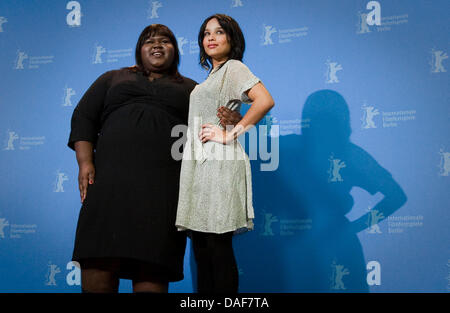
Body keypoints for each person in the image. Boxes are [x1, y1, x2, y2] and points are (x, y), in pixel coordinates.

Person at [67, 24, 241, 293]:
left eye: (165, 41)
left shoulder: (192, 89)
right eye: (149, 41)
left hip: (163, 195)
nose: (157, 45)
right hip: (108, 189)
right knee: (98, 265)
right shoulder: (113, 78)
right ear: (139, 50)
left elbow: (215, 126)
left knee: (152, 268)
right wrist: (85, 162)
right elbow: (84, 116)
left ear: (176, 50)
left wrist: (233, 123)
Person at [175, 14, 275, 293]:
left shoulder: (233, 67)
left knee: (217, 247)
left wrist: (230, 133)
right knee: (203, 249)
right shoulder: (213, 75)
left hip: (219, 164)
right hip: (200, 165)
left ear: (232, 39)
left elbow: (264, 100)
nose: (211, 38)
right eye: (206, 33)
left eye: (219, 32)